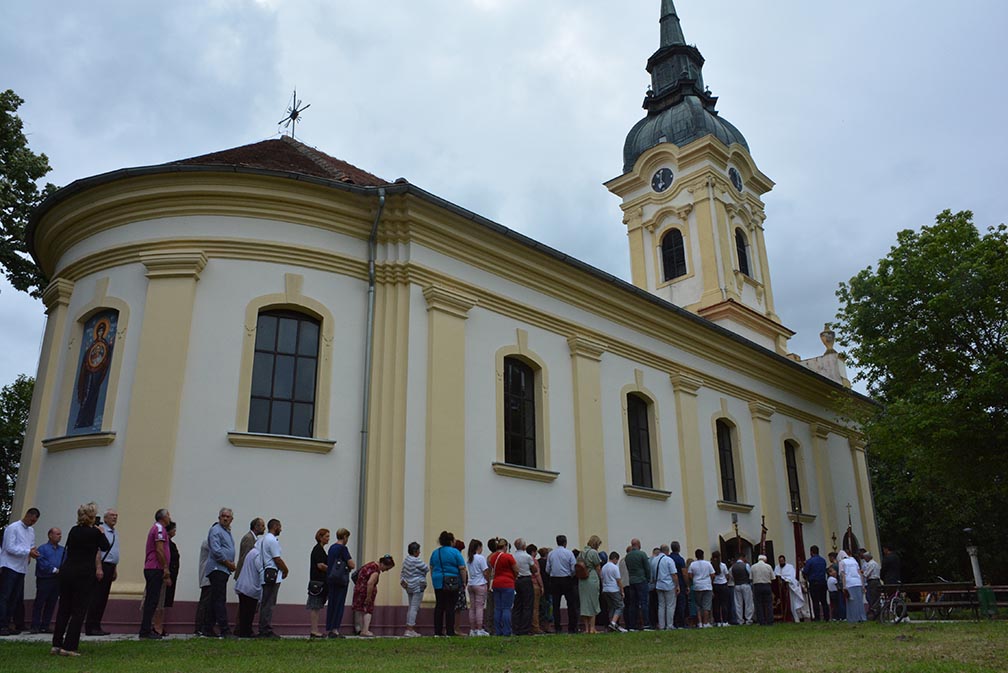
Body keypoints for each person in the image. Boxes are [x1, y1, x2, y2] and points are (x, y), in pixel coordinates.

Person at [50, 502, 110, 656]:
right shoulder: (95, 533)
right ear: (91, 517)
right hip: (84, 574)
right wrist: (101, 532)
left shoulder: (74, 530)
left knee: (64, 608)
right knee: (78, 610)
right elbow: (105, 546)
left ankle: (56, 644)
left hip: (68, 571)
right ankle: (69, 646)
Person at [0, 507, 40, 635]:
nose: (32, 523)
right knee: (5, 596)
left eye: (35, 521)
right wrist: (28, 552)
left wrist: (32, 552)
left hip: (21, 567)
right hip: (10, 566)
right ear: (27, 515)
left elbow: (31, 545)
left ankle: (8, 622)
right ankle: (1, 624)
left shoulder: (31, 531)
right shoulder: (13, 528)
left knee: (15, 597)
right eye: (31, 520)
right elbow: (9, 547)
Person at [203, 507, 236, 638]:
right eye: (223, 516)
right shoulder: (216, 530)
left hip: (223, 569)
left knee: (214, 599)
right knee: (219, 599)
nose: (225, 518)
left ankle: (208, 628)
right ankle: (225, 629)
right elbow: (216, 551)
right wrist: (228, 563)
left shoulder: (226, 532)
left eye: (228, 516)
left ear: (232, 519)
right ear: (219, 517)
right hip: (218, 568)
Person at [85, 508, 119, 636]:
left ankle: (97, 625)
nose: (114, 517)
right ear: (105, 518)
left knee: (103, 598)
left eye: (116, 515)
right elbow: (98, 551)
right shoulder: (101, 531)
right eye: (112, 515)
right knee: (96, 597)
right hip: (102, 566)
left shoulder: (114, 532)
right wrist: (98, 568)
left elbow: (113, 552)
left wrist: (115, 568)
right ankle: (91, 626)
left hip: (110, 566)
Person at [138, 508, 171, 639]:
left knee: (153, 600)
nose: (170, 518)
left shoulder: (159, 529)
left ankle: (146, 628)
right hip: (155, 568)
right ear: (162, 517)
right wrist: (165, 567)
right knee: (151, 601)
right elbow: (159, 550)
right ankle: (145, 630)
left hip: (154, 568)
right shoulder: (159, 529)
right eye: (168, 515)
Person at [430, 531, 467, 637]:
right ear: (451, 541)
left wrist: (434, 579)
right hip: (452, 581)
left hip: (438, 581)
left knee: (439, 606)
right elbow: (462, 568)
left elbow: (432, 567)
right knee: (450, 606)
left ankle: (438, 631)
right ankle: (450, 631)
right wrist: (463, 582)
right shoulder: (455, 552)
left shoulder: (435, 552)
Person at [256, 518, 288, 638]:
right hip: (272, 575)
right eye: (279, 526)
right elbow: (277, 559)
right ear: (275, 526)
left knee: (266, 602)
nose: (281, 529)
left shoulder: (264, 540)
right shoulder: (272, 540)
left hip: (265, 574)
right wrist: (286, 570)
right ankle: (266, 629)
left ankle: (263, 627)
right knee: (269, 603)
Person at [352, 554, 396, 636]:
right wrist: (368, 597)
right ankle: (365, 630)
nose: (386, 570)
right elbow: (370, 583)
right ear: (382, 564)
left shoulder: (370, 564)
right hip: (366, 591)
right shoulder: (375, 570)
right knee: (367, 610)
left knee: (358, 609)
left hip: (358, 589)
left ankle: (359, 629)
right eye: (387, 568)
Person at [31, 527, 63, 633]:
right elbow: (42, 562)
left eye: (60, 534)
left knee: (51, 603)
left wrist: (62, 571)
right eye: (57, 534)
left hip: (57, 580)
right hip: (45, 579)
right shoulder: (42, 549)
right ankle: (35, 626)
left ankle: (45, 625)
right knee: (40, 602)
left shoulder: (62, 550)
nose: (59, 536)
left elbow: (65, 562)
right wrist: (54, 570)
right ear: (50, 535)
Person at [546, 534, 579, 634]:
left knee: (556, 605)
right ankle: (572, 627)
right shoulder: (569, 553)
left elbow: (547, 569)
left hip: (554, 580)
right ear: (565, 542)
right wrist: (571, 575)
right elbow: (573, 568)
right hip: (567, 579)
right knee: (571, 604)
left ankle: (557, 627)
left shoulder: (551, 554)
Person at [325, 528, 354, 637]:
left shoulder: (332, 548)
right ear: (345, 537)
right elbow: (351, 564)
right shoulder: (343, 549)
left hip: (331, 578)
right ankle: (335, 629)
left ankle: (330, 628)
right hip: (341, 580)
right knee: (339, 604)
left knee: (332, 603)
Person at [488, 536, 519, 636]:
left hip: (496, 583)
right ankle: (506, 630)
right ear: (505, 546)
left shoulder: (492, 557)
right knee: (506, 608)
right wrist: (514, 577)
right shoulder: (508, 557)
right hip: (507, 583)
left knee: (498, 608)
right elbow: (516, 570)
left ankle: (498, 630)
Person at [400, 541, 428, 637]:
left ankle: (408, 628)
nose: (419, 552)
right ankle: (410, 629)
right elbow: (426, 568)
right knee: (414, 608)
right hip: (417, 585)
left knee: (411, 607)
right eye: (419, 551)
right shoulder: (416, 560)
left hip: (409, 586)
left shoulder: (406, 560)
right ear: (415, 551)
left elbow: (403, 572)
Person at [234, 545, 262, 638]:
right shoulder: (258, 554)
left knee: (243, 610)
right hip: (251, 587)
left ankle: (242, 631)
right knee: (249, 611)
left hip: (243, 585)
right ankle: (246, 632)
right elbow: (260, 569)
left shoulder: (252, 552)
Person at [307, 528, 330, 638]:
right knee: (315, 607)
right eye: (326, 536)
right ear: (320, 537)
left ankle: (315, 629)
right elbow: (320, 565)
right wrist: (331, 570)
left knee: (317, 607)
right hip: (317, 583)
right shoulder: (317, 550)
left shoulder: (321, 549)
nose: (328, 538)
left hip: (320, 582)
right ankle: (314, 630)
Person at [577, 535, 603, 634]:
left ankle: (586, 628)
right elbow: (598, 567)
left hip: (582, 580)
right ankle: (592, 628)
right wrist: (601, 578)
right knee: (593, 603)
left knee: (584, 604)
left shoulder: (581, 553)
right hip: (591, 578)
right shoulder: (593, 553)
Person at [623, 538, 649, 631]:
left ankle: (632, 625)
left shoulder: (628, 556)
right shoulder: (642, 554)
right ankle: (646, 624)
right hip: (641, 580)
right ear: (638, 544)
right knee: (644, 603)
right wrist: (648, 579)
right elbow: (647, 568)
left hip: (632, 581)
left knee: (633, 604)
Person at [512, 538, 537, 635]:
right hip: (526, 580)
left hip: (516, 580)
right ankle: (525, 628)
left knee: (517, 604)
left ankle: (516, 627)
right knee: (527, 605)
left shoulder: (512, 556)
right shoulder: (527, 557)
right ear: (523, 546)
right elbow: (534, 569)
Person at [466, 539, 489, 636]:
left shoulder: (469, 559)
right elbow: (485, 572)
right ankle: (479, 629)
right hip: (480, 584)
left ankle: (472, 629)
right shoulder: (480, 558)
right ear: (478, 547)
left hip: (471, 584)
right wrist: (487, 581)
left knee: (472, 607)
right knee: (480, 607)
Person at [688, 549, 716, 628]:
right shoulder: (708, 564)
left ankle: (700, 622)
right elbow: (713, 575)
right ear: (703, 555)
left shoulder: (693, 564)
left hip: (697, 586)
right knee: (706, 605)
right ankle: (706, 622)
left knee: (698, 605)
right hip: (707, 585)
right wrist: (711, 581)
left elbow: (690, 575)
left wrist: (694, 580)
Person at [600, 551, 627, 632]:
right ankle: (613, 622)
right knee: (620, 606)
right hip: (614, 589)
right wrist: (622, 591)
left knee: (611, 607)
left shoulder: (604, 567)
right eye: (617, 560)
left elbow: (601, 578)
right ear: (615, 559)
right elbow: (618, 580)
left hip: (605, 590)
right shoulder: (614, 567)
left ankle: (611, 625)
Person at [775, 554, 806, 622]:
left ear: (785, 560)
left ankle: (797, 616)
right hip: (781, 589)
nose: (781, 562)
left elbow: (792, 577)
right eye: (780, 561)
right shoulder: (777, 567)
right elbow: (776, 576)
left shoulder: (790, 567)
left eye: (782, 561)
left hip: (790, 588)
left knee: (793, 603)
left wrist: (785, 579)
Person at [653, 544, 678, 630]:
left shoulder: (654, 560)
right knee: (670, 605)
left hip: (658, 584)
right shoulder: (669, 560)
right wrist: (677, 585)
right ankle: (669, 625)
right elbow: (674, 574)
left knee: (661, 605)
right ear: (667, 551)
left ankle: (661, 625)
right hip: (668, 585)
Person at [802, 545, 829, 622]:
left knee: (815, 601)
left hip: (814, 583)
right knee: (824, 601)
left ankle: (817, 617)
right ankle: (826, 617)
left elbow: (805, 571)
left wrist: (805, 566)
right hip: (823, 582)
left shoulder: (810, 561)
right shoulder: (823, 560)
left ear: (811, 552)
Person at [838, 550, 866, 623]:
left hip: (849, 583)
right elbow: (859, 572)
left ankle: (853, 618)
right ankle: (862, 617)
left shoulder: (842, 562)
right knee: (859, 601)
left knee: (851, 601)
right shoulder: (853, 560)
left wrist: (844, 586)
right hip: (858, 582)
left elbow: (843, 575)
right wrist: (862, 585)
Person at [194, 537, 212, 636]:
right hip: (207, 578)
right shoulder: (208, 542)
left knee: (209, 604)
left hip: (210, 578)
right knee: (204, 603)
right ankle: (199, 627)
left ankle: (206, 627)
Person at [668, 541, 688, 628]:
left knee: (672, 605)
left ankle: (674, 622)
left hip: (670, 583)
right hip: (680, 583)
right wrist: (687, 584)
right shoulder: (680, 559)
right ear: (679, 548)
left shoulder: (668, 558)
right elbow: (684, 573)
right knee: (681, 604)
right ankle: (681, 622)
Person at [751, 554, 775, 626]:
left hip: (757, 586)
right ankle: (770, 621)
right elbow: (773, 577)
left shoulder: (753, 567)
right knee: (768, 604)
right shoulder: (768, 566)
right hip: (766, 585)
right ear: (765, 560)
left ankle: (761, 621)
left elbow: (751, 577)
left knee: (758, 604)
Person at [526, 543, 544, 634]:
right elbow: (537, 574)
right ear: (533, 552)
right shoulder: (534, 561)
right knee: (535, 607)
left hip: (526, 584)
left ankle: (527, 626)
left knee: (527, 606)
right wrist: (541, 586)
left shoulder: (525, 559)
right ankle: (535, 627)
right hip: (534, 584)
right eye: (536, 552)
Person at [731, 555, 754, 625]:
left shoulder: (733, 567)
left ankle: (740, 619)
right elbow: (750, 575)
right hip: (746, 584)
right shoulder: (746, 565)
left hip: (737, 585)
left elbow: (731, 576)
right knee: (748, 602)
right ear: (743, 558)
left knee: (738, 603)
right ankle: (748, 619)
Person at [710, 550, 730, 627]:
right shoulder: (723, 565)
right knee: (724, 604)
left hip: (715, 585)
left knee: (716, 604)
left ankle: (717, 621)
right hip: (723, 585)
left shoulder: (711, 565)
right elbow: (727, 575)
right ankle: (725, 621)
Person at [862, 551, 882, 618]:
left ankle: (875, 614)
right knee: (876, 598)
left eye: (864, 558)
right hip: (877, 581)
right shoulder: (876, 563)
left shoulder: (871, 564)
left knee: (873, 598)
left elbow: (866, 574)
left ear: (867, 558)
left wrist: (861, 572)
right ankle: (877, 613)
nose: (864, 559)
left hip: (872, 582)